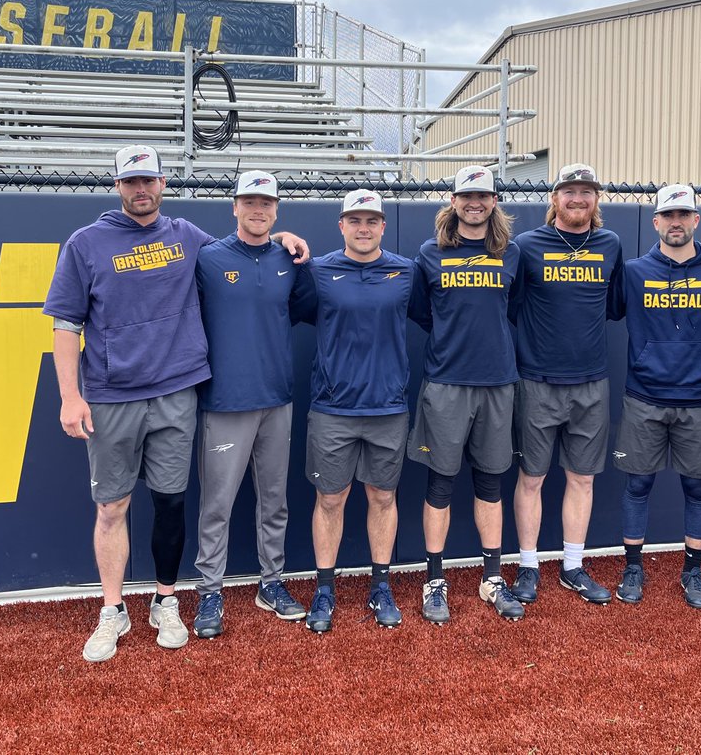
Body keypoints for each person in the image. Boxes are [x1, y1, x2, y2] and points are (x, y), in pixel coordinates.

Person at [44, 147, 307, 662]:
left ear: (163, 183)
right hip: (111, 395)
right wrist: (70, 396)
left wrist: (280, 237)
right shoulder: (85, 243)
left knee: (169, 502)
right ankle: (113, 608)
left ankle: (165, 601)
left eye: (148, 180)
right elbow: (64, 323)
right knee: (112, 506)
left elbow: (244, 248)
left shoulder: (187, 237)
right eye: (131, 182)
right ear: (117, 186)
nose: (141, 190)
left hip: (175, 392)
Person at [190, 170, 309, 639]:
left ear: (276, 210)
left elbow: (305, 308)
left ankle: (271, 583)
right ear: (234, 206)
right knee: (217, 503)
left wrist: (291, 244)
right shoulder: (209, 259)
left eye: (266, 204)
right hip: (225, 401)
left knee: (274, 500)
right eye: (249, 202)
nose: (258, 210)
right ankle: (210, 590)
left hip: (277, 399)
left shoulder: (288, 259)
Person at [291, 190, 414, 633]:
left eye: (372, 220)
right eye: (355, 220)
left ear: (383, 226)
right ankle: (325, 589)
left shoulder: (406, 271)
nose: (364, 228)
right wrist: (286, 235)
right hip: (332, 408)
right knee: (330, 498)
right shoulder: (319, 272)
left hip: (388, 407)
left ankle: (380, 585)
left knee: (383, 497)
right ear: (341, 225)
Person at [407, 165, 524, 623]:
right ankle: (435, 580)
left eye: (483, 196)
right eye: (466, 196)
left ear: (494, 201)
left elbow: (511, 308)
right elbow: (422, 312)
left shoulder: (510, 254)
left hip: (497, 382)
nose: (474, 203)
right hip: (447, 383)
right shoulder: (430, 253)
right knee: (439, 482)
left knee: (491, 482)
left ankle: (491, 578)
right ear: (452, 201)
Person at [507, 163, 623, 607]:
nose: (578, 198)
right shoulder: (527, 245)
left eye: (587, 191)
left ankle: (573, 566)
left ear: (596, 200)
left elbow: (613, 307)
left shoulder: (609, 244)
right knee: (532, 478)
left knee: (583, 479)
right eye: (569, 191)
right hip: (537, 380)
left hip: (591, 383)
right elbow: (513, 306)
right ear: (554, 198)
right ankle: (529, 566)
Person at [609, 184, 701, 609]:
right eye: (668, 216)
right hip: (644, 395)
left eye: (684, 215)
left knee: (698, 489)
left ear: (696, 220)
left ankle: (693, 571)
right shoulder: (634, 271)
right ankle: (633, 567)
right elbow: (593, 311)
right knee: (637, 484)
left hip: (699, 398)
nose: (676, 223)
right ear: (656, 221)